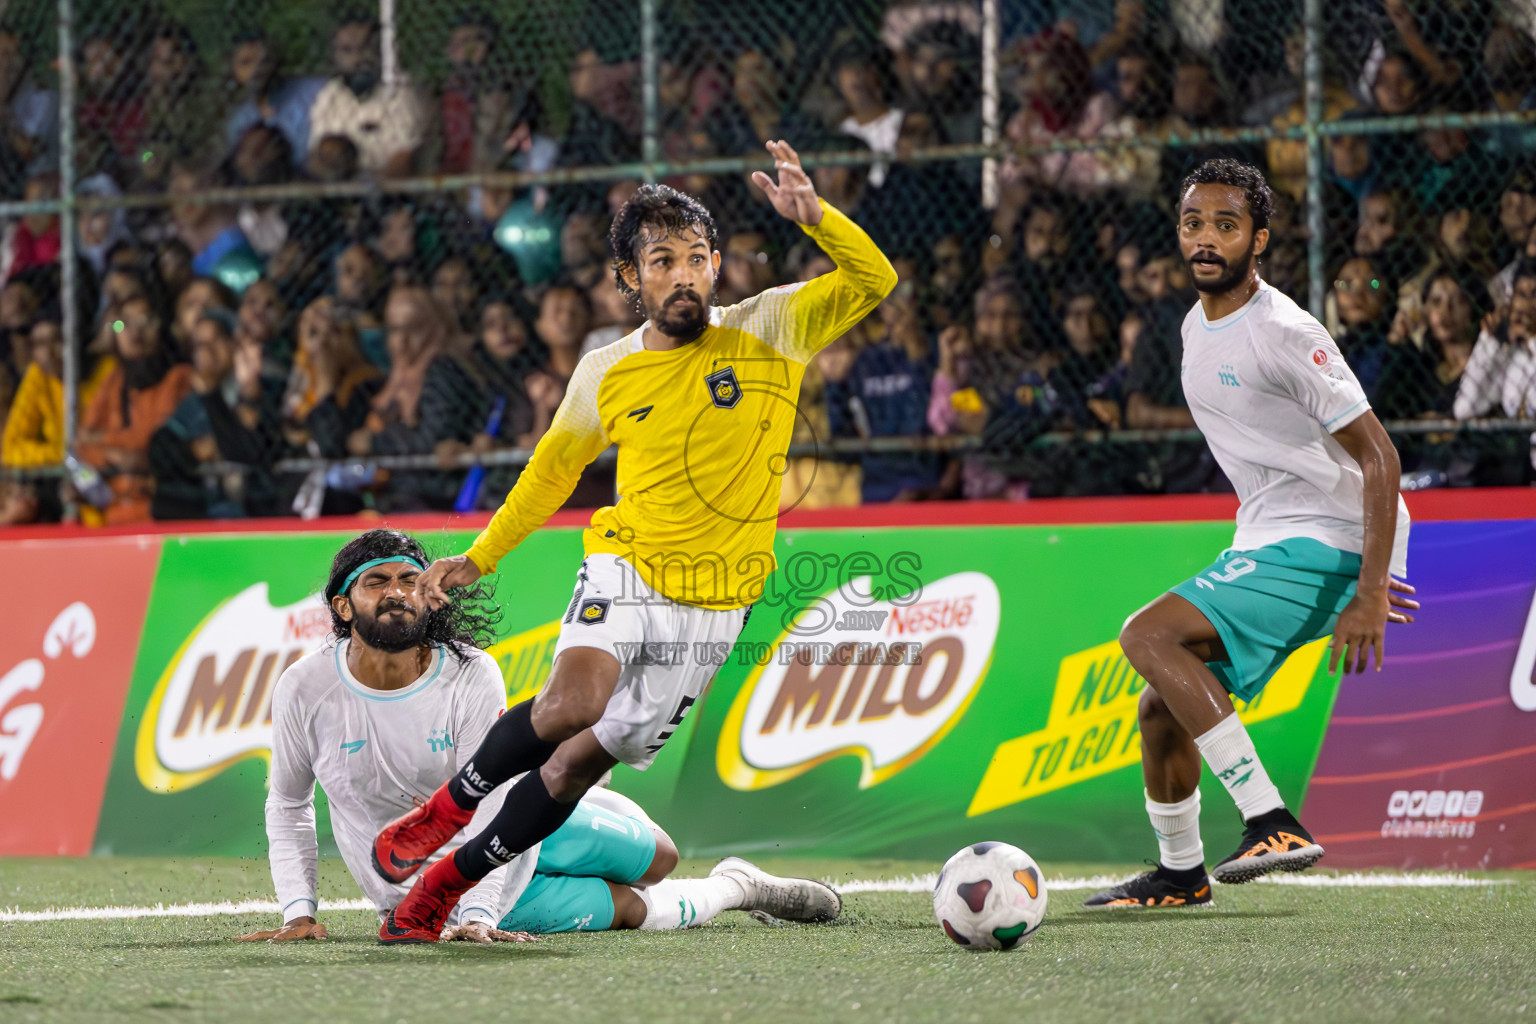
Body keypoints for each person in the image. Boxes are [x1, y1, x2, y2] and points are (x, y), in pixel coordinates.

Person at [369, 140, 892, 943]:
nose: (681, 275)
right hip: (629, 565)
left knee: (577, 766)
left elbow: (875, 281)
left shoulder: (773, 326)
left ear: (716, 264)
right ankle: (447, 812)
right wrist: (479, 556)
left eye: (694, 258)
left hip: (719, 603)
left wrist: (819, 220)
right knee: (571, 701)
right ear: (630, 279)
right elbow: (550, 472)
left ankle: (447, 884)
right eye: (659, 262)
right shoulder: (604, 372)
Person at [1086, 159, 1418, 909]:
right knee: (1160, 706)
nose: (1205, 239)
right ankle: (1181, 873)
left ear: (1258, 239)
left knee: (1146, 637)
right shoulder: (1192, 326)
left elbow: (1381, 456)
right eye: (1193, 223)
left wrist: (1368, 590)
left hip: (1331, 534)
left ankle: (1272, 819)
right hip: (1272, 533)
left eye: (1226, 226)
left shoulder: (1283, 331)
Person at [238, 529, 825, 944]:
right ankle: (737, 888)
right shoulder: (304, 687)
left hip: (504, 842)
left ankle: (575, 792)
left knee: (661, 858)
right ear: (343, 606)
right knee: (629, 909)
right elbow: (288, 804)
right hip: (418, 895)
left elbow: (494, 799)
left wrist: (479, 909)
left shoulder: (470, 672)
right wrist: (298, 913)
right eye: (377, 583)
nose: (397, 592)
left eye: (411, 580)